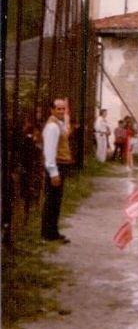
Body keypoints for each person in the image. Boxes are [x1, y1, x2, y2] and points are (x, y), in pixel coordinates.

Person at [41, 98, 73, 243]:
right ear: (51, 110)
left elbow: (66, 129)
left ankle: (52, 231)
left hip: (60, 166)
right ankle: (49, 233)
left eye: (63, 108)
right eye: (58, 109)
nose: (61, 111)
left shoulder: (58, 124)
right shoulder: (53, 127)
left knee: (55, 201)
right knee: (52, 201)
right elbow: (49, 152)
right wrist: (54, 173)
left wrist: (67, 117)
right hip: (56, 167)